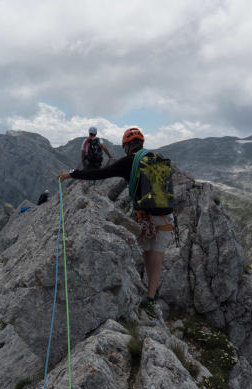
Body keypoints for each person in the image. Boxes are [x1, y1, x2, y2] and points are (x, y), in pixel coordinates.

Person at [59, 127, 174, 316]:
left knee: (146, 252)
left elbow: (99, 174)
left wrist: (72, 174)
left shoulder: (129, 161)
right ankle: (152, 297)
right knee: (157, 256)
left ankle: (149, 290)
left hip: (144, 216)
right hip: (165, 216)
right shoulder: (158, 158)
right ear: (142, 143)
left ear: (127, 146)